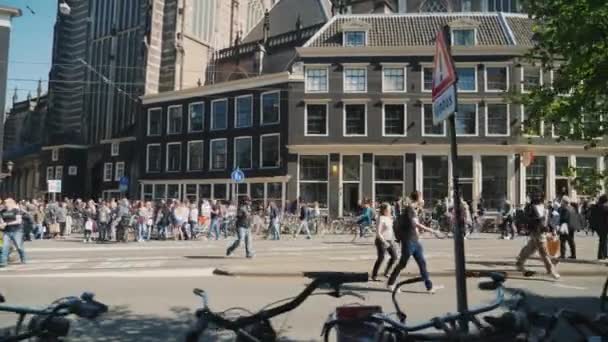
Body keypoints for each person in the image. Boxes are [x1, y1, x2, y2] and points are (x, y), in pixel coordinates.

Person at [387, 191, 440, 293]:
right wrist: (432, 231)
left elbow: (415, 225)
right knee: (402, 264)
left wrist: (419, 235)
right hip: (408, 241)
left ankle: (429, 287)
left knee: (422, 263)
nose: (423, 200)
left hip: (415, 241)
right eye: (422, 197)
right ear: (419, 198)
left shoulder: (413, 209)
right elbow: (416, 224)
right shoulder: (409, 209)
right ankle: (390, 283)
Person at [515, 192, 560, 279]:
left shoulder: (545, 206)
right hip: (536, 231)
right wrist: (538, 220)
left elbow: (549, 219)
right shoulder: (530, 207)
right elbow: (527, 219)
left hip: (544, 231)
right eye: (536, 196)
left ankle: (519, 263)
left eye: (539, 196)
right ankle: (550, 270)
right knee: (544, 252)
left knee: (530, 248)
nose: (538, 197)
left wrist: (553, 229)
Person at [371, 203, 397, 281]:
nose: (390, 210)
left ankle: (386, 272)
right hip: (381, 241)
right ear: (385, 210)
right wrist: (384, 242)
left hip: (389, 240)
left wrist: (395, 239)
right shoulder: (381, 218)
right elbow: (378, 233)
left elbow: (390, 230)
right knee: (381, 258)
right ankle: (374, 275)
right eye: (389, 209)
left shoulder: (389, 218)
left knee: (394, 256)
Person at [0, 198, 27, 267]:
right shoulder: (2, 211)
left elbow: (19, 221)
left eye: (6, 203)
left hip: (17, 231)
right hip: (6, 231)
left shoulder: (16, 211)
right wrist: (2, 224)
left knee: (19, 247)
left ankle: (23, 258)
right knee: (4, 247)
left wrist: (7, 224)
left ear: (10, 203)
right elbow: (1, 220)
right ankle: (3, 262)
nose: (4, 204)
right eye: (4, 203)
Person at [590, 195, 608, 260]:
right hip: (603, 227)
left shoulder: (595, 206)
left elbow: (591, 217)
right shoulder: (604, 207)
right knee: (604, 241)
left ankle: (602, 255)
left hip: (597, 227)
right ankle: (603, 255)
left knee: (603, 240)